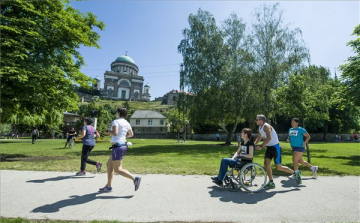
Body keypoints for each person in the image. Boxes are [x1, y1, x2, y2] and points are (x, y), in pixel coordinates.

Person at [99, 107, 141, 192]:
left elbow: (115, 133)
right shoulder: (127, 123)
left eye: (116, 111)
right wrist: (122, 137)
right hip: (121, 146)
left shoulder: (116, 121)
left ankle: (135, 178)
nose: (116, 113)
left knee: (118, 169)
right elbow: (131, 134)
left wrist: (108, 131)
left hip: (118, 147)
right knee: (109, 165)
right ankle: (109, 186)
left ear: (118, 113)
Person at [254, 115, 295, 189]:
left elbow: (269, 137)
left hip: (275, 147)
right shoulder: (260, 128)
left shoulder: (266, 126)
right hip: (269, 148)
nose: (255, 120)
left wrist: (261, 146)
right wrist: (253, 144)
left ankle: (295, 173)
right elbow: (259, 137)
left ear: (261, 121)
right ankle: (271, 182)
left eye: (257, 119)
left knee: (278, 167)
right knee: (266, 164)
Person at [287, 118, 318, 184]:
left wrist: (305, 143)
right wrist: (288, 140)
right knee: (300, 161)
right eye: (291, 122)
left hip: (300, 147)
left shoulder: (301, 129)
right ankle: (313, 168)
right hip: (293, 147)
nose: (292, 123)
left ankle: (296, 174)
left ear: (297, 123)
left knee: (294, 160)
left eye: (293, 122)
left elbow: (308, 136)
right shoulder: (290, 129)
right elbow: (290, 137)